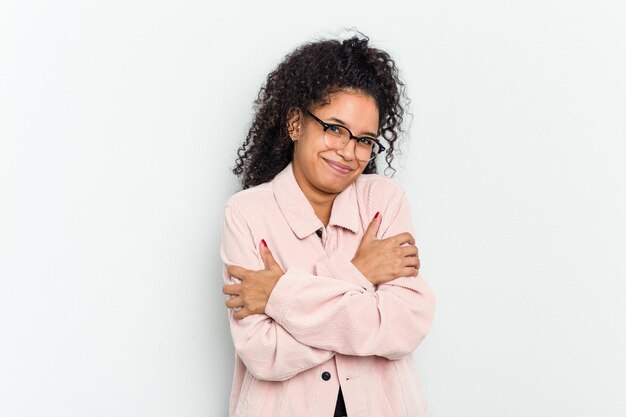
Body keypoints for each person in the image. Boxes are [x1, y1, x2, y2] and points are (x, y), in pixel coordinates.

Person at [220, 33, 436, 417]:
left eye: (365, 140)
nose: (349, 152)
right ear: (296, 123)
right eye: (334, 128)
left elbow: (403, 326)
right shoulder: (247, 213)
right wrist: (358, 274)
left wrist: (280, 296)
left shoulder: (384, 202)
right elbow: (264, 352)